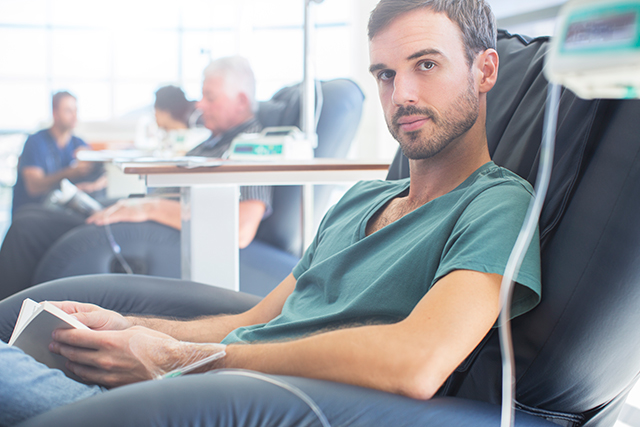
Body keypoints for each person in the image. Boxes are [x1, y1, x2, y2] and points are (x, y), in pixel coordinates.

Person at [0, 0, 542, 424]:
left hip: (228, 406)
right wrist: (132, 328)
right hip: (179, 386)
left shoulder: (496, 205)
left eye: (426, 64)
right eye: (384, 73)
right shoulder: (359, 200)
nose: (401, 94)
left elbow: (417, 364)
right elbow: (250, 324)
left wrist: (176, 359)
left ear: (485, 70)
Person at [0, 57, 272, 300]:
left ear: (241, 102)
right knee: (28, 217)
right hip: (144, 218)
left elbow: (240, 227)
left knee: (27, 231)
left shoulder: (252, 146)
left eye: (210, 97)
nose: (200, 104)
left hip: (155, 235)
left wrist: (149, 208)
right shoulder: (214, 141)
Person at [11, 91, 106, 216]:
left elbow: (105, 176)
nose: (74, 116)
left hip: (61, 210)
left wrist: (92, 186)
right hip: (33, 213)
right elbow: (34, 187)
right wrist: (70, 173)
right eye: (68, 111)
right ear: (55, 114)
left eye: (75, 110)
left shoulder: (79, 144)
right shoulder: (35, 142)